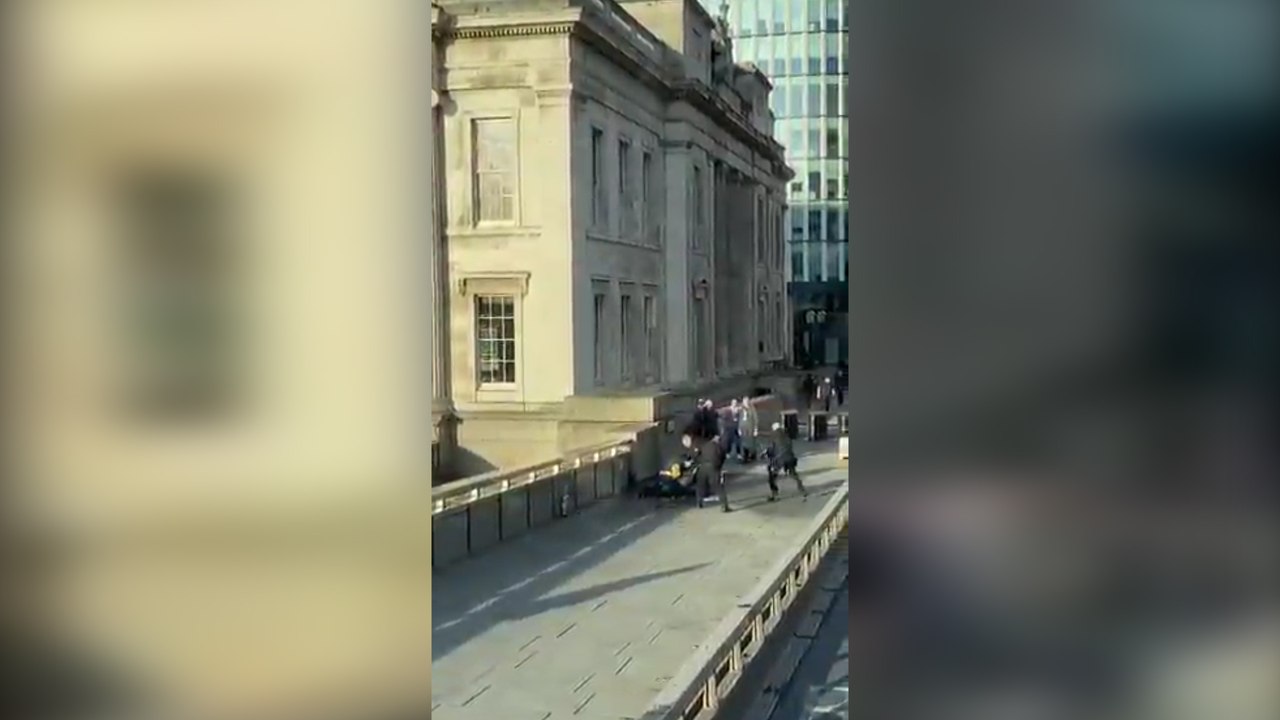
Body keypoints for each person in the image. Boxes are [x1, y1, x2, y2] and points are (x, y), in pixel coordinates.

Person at [765, 421, 807, 501]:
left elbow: (771, 449)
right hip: (789, 458)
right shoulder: (786, 435)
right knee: (793, 474)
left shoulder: (773, 436)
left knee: (772, 476)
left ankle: (774, 493)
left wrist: (767, 454)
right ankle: (802, 490)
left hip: (779, 459)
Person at [696, 432, 731, 512]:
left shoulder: (704, 445)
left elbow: (698, 456)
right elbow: (722, 458)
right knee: (719, 486)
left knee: (701, 485)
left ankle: (699, 502)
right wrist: (719, 467)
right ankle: (724, 506)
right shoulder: (718, 447)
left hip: (703, 467)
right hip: (713, 467)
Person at [738, 396, 759, 463]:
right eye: (744, 401)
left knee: (751, 442)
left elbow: (755, 419)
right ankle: (744, 456)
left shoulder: (752, 409)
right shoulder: (741, 409)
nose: (745, 403)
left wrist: (756, 429)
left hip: (750, 428)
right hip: (743, 428)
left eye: (746, 401)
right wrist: (739, 428)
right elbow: (739, 419)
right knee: (743, 442)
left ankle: (752, 455)